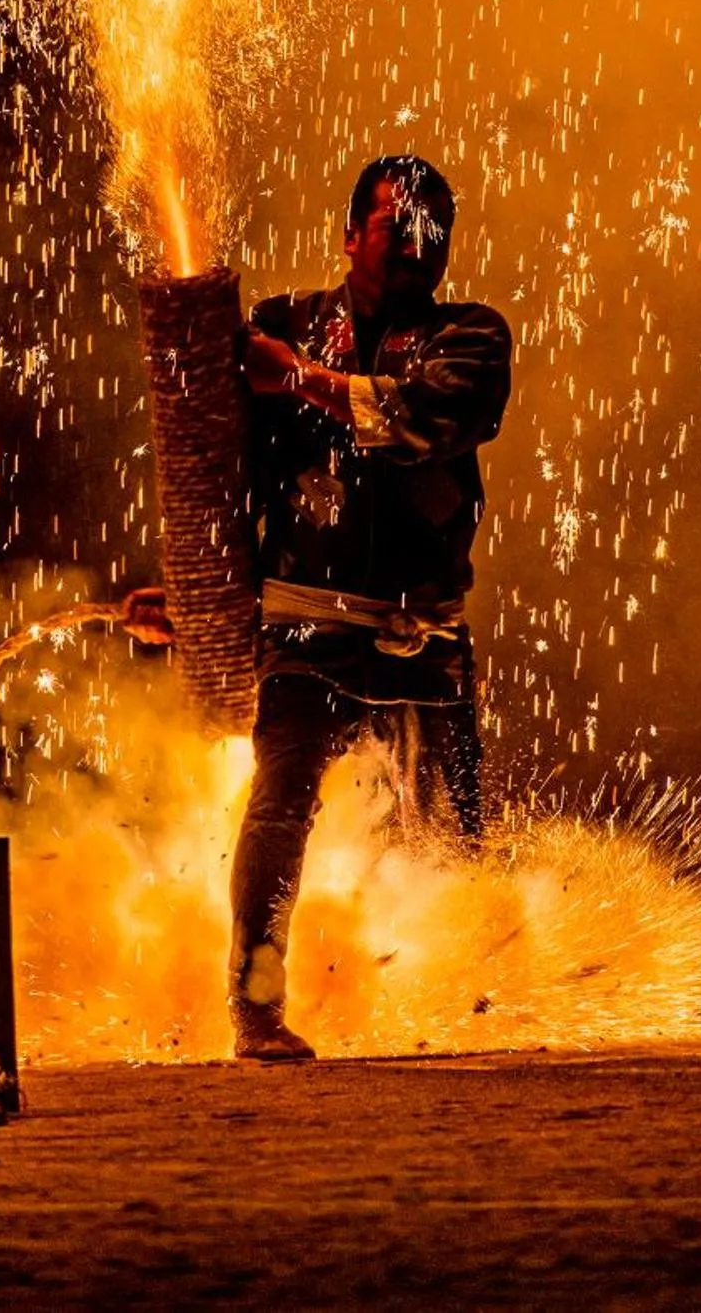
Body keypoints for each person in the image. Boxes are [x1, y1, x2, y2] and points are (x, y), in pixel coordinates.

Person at [229, 154, 513, 1061]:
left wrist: (300, 379)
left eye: (433, 233)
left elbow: (417, 422)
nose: (415, 248)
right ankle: (257, 1005)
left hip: (422, 623)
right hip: (305, 616)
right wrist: (200, 585)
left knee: (455, 817)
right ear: (350, 234)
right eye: (397, 228)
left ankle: (468, 992)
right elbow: (232, 474)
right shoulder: (279, 325)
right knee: (279, 805)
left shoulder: (470, 338)